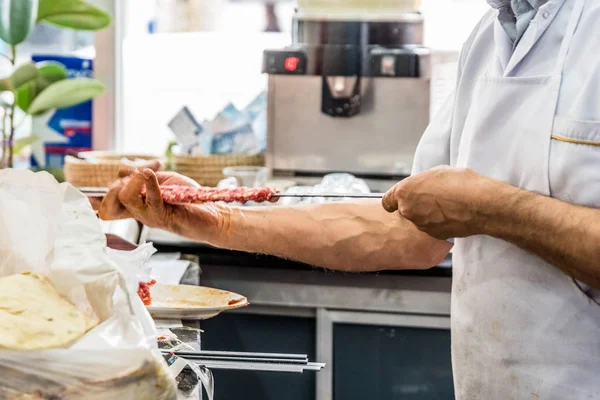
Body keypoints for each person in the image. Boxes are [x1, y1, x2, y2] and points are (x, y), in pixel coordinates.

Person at [99, 0, 600, 398]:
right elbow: (406, 231)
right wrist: (217, 219)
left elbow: (480, 209)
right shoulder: (489, 41)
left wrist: (495, 210)